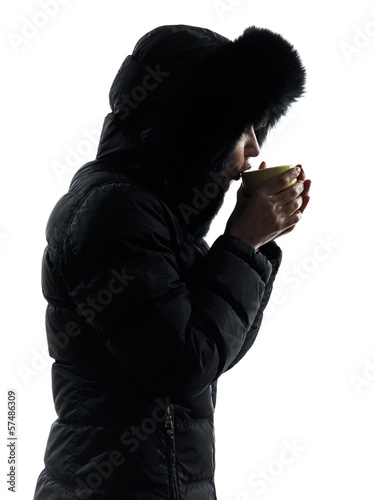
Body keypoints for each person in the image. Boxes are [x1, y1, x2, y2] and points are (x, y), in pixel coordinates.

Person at [33, 24, 310, 500]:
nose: (255, 148)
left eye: (257, 126)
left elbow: (214, 353)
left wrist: (255, 246)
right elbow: (181, 364)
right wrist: (242, 242)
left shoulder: (161, 220)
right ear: (192, 128)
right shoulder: (113, 212)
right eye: (240, 126)